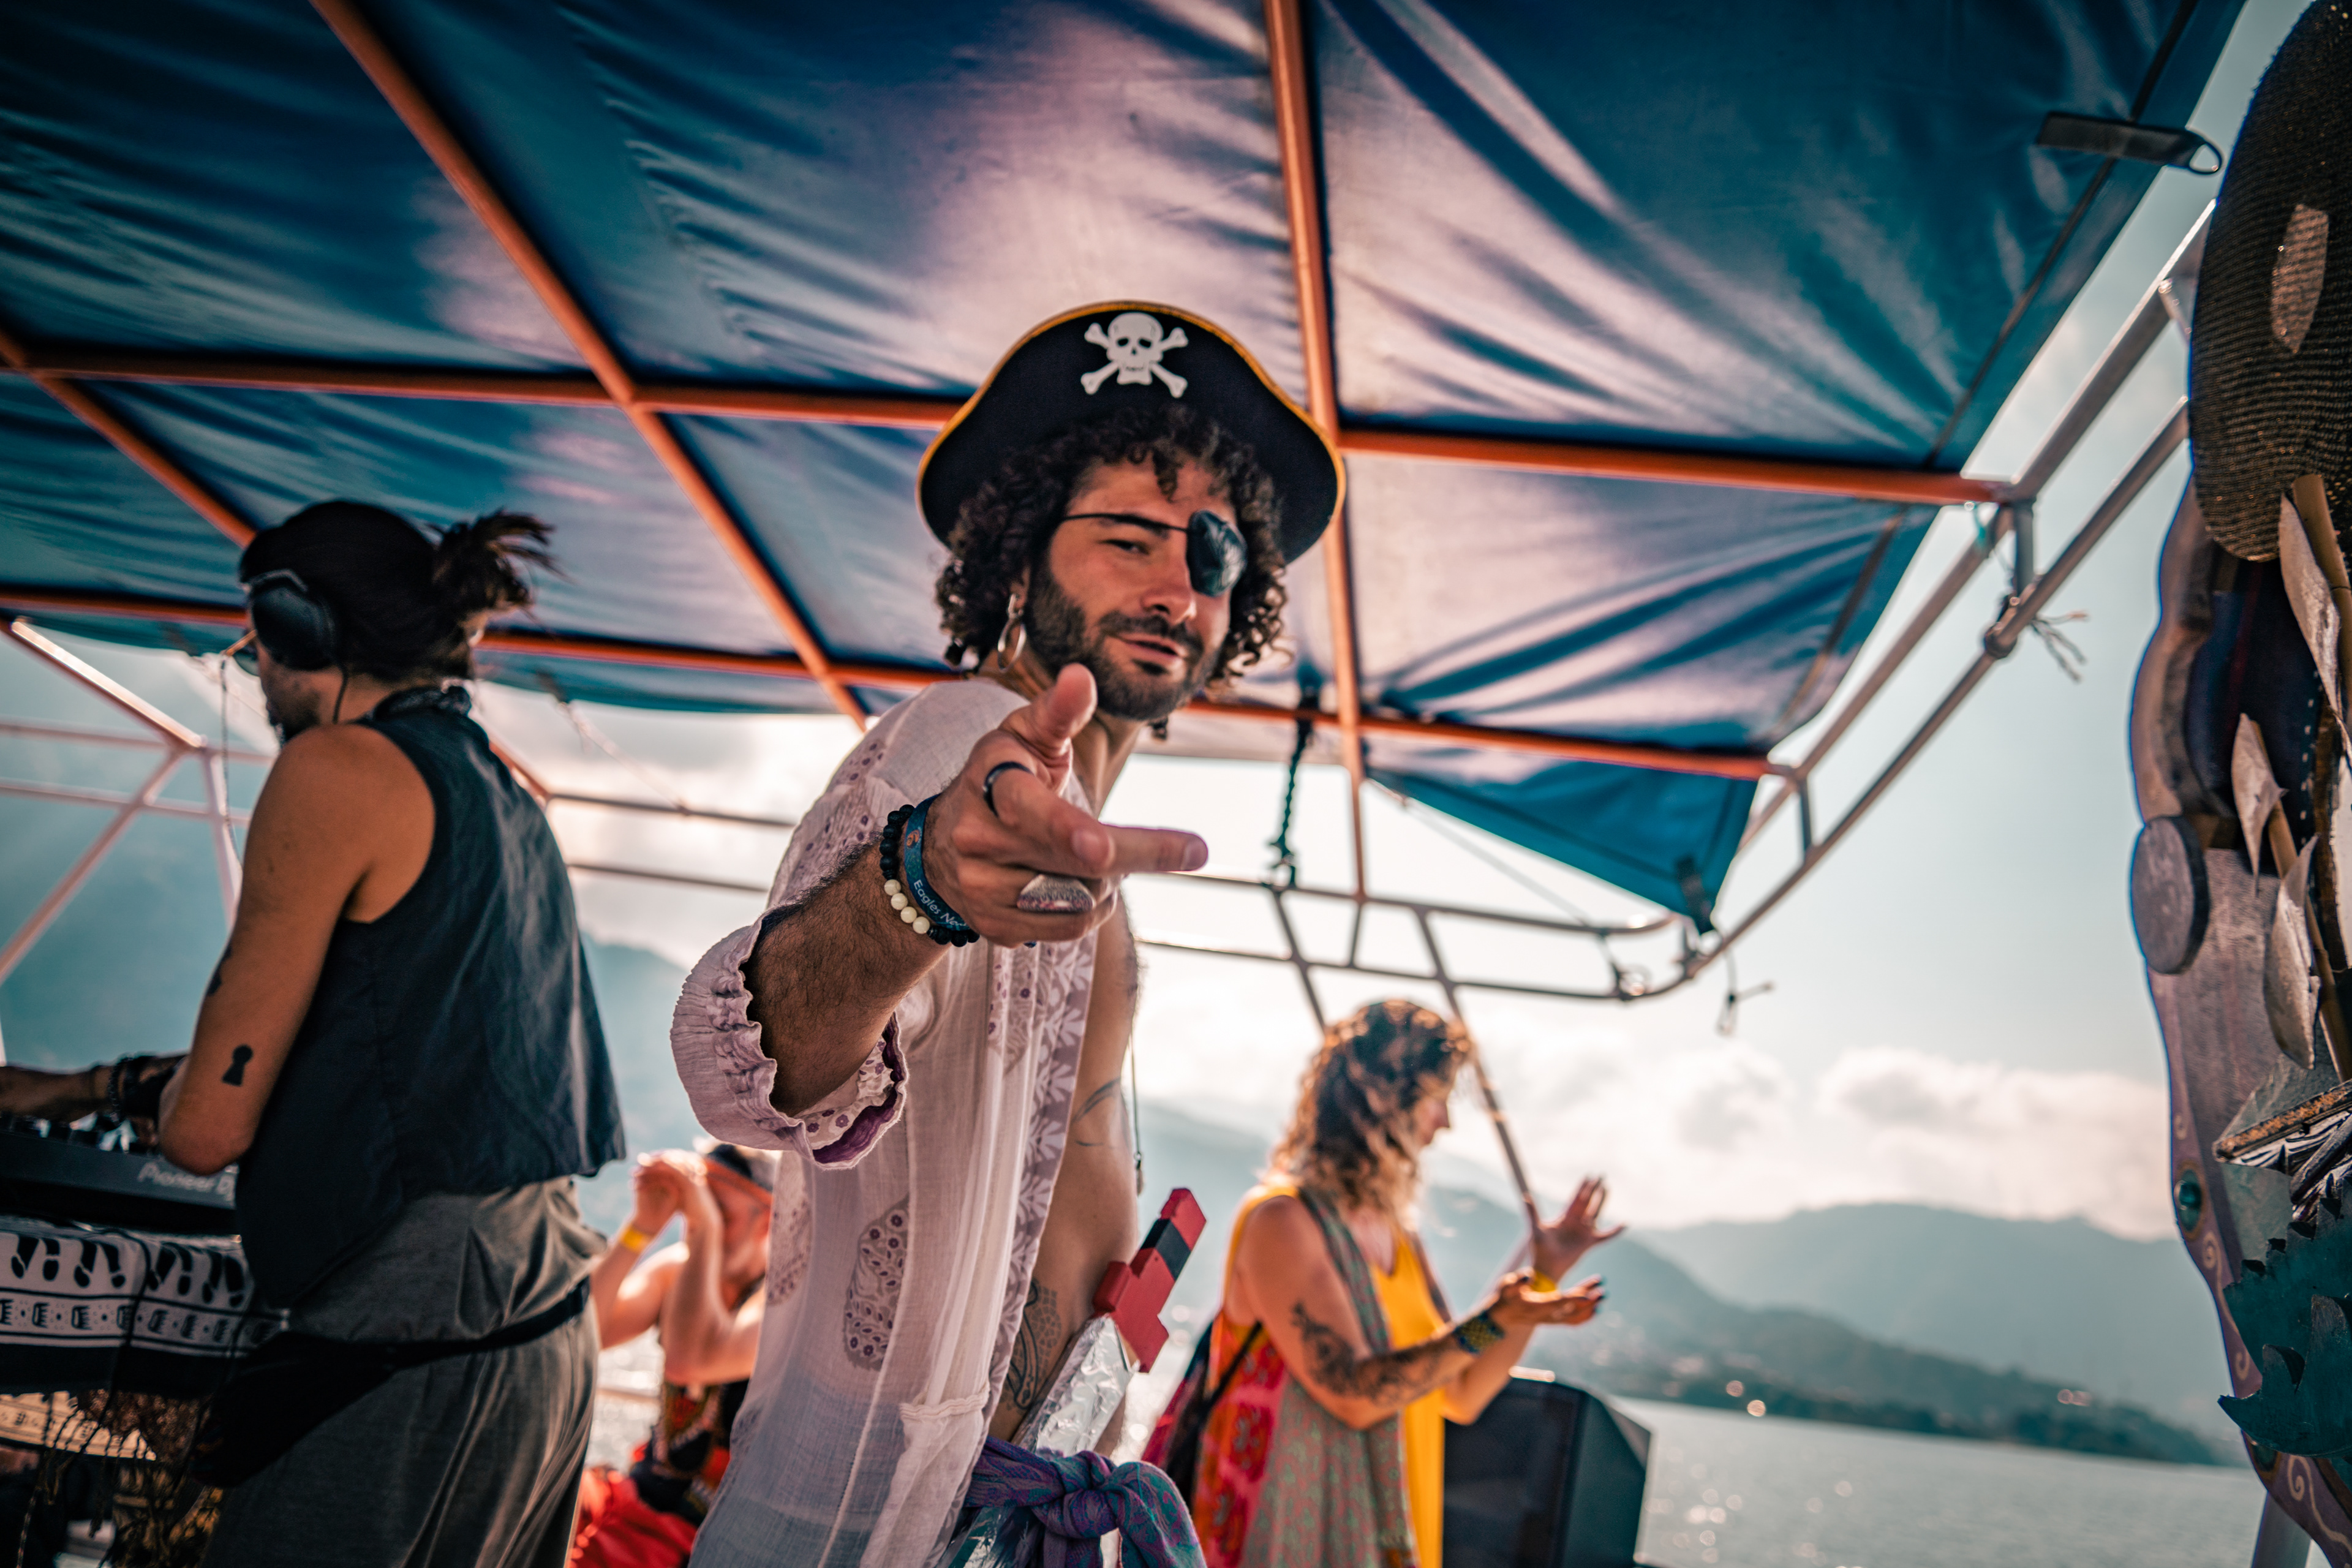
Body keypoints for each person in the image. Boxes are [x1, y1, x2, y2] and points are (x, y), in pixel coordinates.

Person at [668, 301, 1343, 1565]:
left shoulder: (1083, 821)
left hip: (1006, 1513)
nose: (1174, 584)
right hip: (869, 1522)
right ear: (1020, 558)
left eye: (1210, 554)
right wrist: (913, 883)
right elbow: (748, 1074)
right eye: (1128, 536)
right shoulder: (954, 749)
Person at [0, 500, 625, 1568]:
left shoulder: (338, 769)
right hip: (542, 1340)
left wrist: (88, 1100)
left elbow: (205, 1131)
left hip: (421, 1344)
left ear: (303, 631)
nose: (256, 677)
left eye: (257, 646)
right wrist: (71, 1091)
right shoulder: (504, 796)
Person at [1173, 1000, 1618, 1567]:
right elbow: (1355, 1396)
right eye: (1438, 1099)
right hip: (1278, 1538)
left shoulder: (1399, 1239)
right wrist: (1494, 1320)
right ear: (1384, 1099)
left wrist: (1544, 1269)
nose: (1445, 1123)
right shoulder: (1282, 1220)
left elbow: (1462, 1393)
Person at [572, 1144, 777, 1568]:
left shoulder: (777, 1301)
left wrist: (702, 1226)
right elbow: (586, 1334)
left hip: (704, 1531)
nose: (701, 1225)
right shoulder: (676, 1271)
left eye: (720, 1214)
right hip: (641, 1493)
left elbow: (692, 1360)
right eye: (696, 1210)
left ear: (769, 1220)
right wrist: (640, 1229)